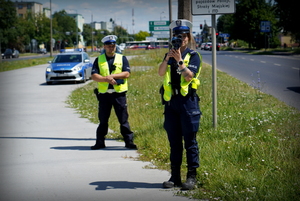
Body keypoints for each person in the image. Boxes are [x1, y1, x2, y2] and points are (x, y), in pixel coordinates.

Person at [158, 19, 202, 190]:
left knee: (190, 141)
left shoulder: (194, 56)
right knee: (174, 141)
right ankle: (174, 176)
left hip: (188, 103)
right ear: (173, 37)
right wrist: (168, 58)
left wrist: (180, 61)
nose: (181, 39)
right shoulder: (169, 54)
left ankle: (191, 177)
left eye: (184, 36)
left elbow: (189, 77)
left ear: (188, 37)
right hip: (171, 103)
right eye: (178, 36)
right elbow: (161, 72)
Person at [90, 35, 137, 150]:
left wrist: (112, 76)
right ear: (104, 47)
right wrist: (106, 79)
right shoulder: (99, 59)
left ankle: (128, 141)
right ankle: (100, 142)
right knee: (103, 120)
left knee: (123, 119)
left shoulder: (122, 58)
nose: (111, 48)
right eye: (109, 46)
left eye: (113, 46)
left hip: (119, 94)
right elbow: (94, 75)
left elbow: (126, 73)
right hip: (104, 94)